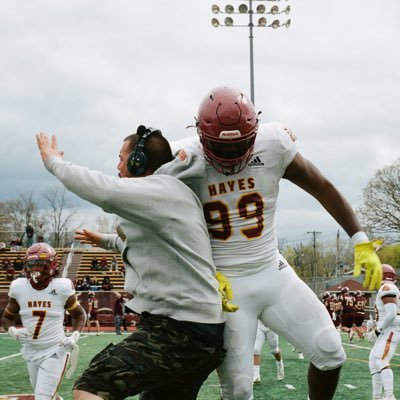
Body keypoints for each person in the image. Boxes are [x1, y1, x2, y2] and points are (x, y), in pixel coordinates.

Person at [162, 85, 383, 400]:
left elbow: (322, 186)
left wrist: (360, 240)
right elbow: (146, 216)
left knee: (330, 353)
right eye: (220, 147)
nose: (230, 155)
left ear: (254, 132)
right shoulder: (181, 158)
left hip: (271, 270)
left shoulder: (274, 143)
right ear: (199, 134)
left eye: (238, 145)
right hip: (225, 287)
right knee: (238, 391)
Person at [35, 127, 227, 400]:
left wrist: (54, 163)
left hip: (179, 330)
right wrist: (103, 239)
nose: (117, 165)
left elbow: (105, 190)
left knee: (91, 388)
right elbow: (145, 246)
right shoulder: (168, 193)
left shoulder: (160, 190)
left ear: (139, 161)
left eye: (121, 157)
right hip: (198, 332)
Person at [1, 243, 86, 400]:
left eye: (40, 264)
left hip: (55, 348)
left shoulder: (62, 287)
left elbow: (79, 315)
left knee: (42, 396)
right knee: (47, 396)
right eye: (32, 265)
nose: (35, 269)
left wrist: (74, 336)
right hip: (31, 351)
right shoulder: (19, 287)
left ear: (52, 264)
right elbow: (7, 317)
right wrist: (12, 330)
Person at [366, 264, 400, 400]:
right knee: (373, 362)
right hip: (387, 329)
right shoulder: (387, 288)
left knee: (381, 359)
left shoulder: (388, 287)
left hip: (390, 330)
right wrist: (375, 322)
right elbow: (387, 312)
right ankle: (377, 396)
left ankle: (389, 396)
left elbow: (391, 314)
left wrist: (377, 331)